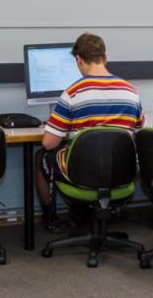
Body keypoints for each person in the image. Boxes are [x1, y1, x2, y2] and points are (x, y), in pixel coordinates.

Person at [36, 33, 144, 229]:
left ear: (79, 59)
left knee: (42, 155)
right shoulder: (131, 92)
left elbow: (48, 143)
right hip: (121, 173)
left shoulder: (73, 93)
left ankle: (50, 219)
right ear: (105, 57)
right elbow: (138, 134)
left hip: (83, 174)